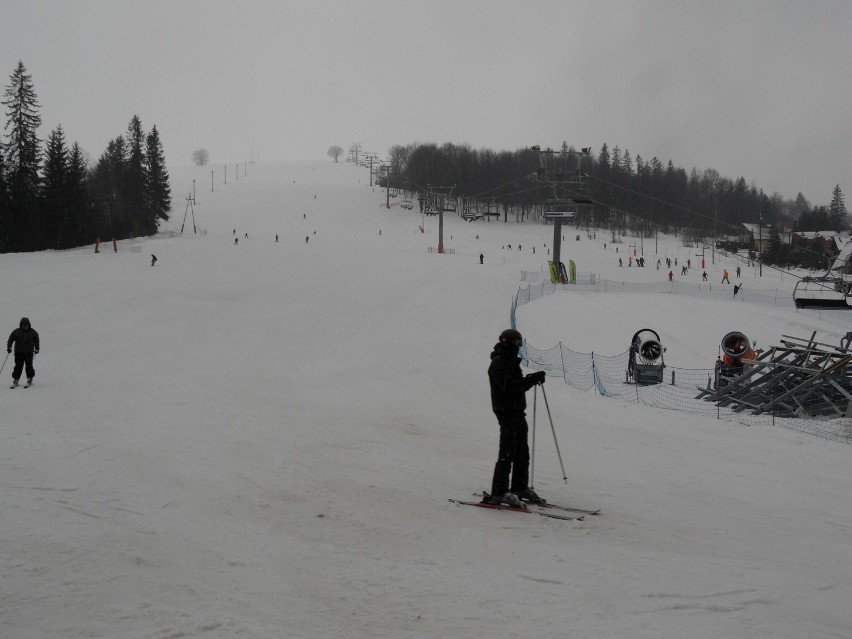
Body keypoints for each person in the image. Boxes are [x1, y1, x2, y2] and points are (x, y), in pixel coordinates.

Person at [485, 329, 546, 507]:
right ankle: (499, 492)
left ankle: (519, 487)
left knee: (522, 451)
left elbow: (517, 385)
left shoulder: (510, 362)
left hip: (517, 412)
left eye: (520, 343)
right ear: (507, 342)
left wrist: (531, 379)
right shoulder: (498, 363)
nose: (518, 347)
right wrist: (530, 381)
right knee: (507, 452)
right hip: (506, 412)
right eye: (516, 343)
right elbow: (509, 387)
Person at [7, 317, 40, 387]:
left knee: (29, 365)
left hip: (29, 352)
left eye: (26, 325)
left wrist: (37, 348)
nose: (25, 326)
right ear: (21, 324)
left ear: (29, 325)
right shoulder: (16, 331)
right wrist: (9, 347)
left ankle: (30, 378)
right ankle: (16, 379)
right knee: (18, 366)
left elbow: (36, 339)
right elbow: (10, 339)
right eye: (23, 325)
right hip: (19, 352)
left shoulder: (33, 332)